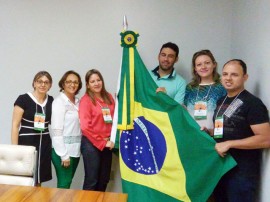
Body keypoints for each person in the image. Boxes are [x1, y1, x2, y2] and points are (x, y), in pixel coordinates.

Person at [212, 59, 270, 202]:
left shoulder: (253, 104)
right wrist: (208, 132)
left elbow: (266, 139)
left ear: (245, 77)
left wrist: (230, 144)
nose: (228, 78)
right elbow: (224, 130)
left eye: (234, 74)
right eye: (225, 74)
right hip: (222, 170)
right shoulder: (221, 101)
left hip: (242, 175)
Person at [11, 71, 53, 185]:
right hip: (26, 141)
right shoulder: (23, 99)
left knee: (39, 177)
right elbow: (15, 125)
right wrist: (15, 149)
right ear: (34, 83)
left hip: (44, 142)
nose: (43, 85)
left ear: (50, 85)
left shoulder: (51, 101)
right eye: (39, 81)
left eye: (46, 82)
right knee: (25, 175)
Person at [79, 69, 115, 191]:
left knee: (104, 179)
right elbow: (85, 127)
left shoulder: (109, 97)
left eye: (98, 80)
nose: (96, 83)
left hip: (107, 143)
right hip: (91, 144)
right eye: (92, 81)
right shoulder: (86, 100)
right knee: (92, 180)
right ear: (88, 85)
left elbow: (115, 118)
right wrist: (103, 142)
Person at [50, 70, 82, 189]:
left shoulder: (78, 102)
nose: (72, 84)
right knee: (64, 185)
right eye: (69, 81)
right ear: (63, 84)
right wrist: (63, 155)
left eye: (75, 82)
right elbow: (56, 131)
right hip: (62, 152)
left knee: (67, 184)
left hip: (75, 150)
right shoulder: (59, 102)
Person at [184, 50, 226, 129]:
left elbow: (224, 114)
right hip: (193, 133)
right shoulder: (190, 88)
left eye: (207, 63)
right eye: (199, 64)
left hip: (213, 136)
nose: (203, 67)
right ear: (195, 69)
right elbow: (184, 111)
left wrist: (216, 134)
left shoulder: (222, 87)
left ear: (214, 65)